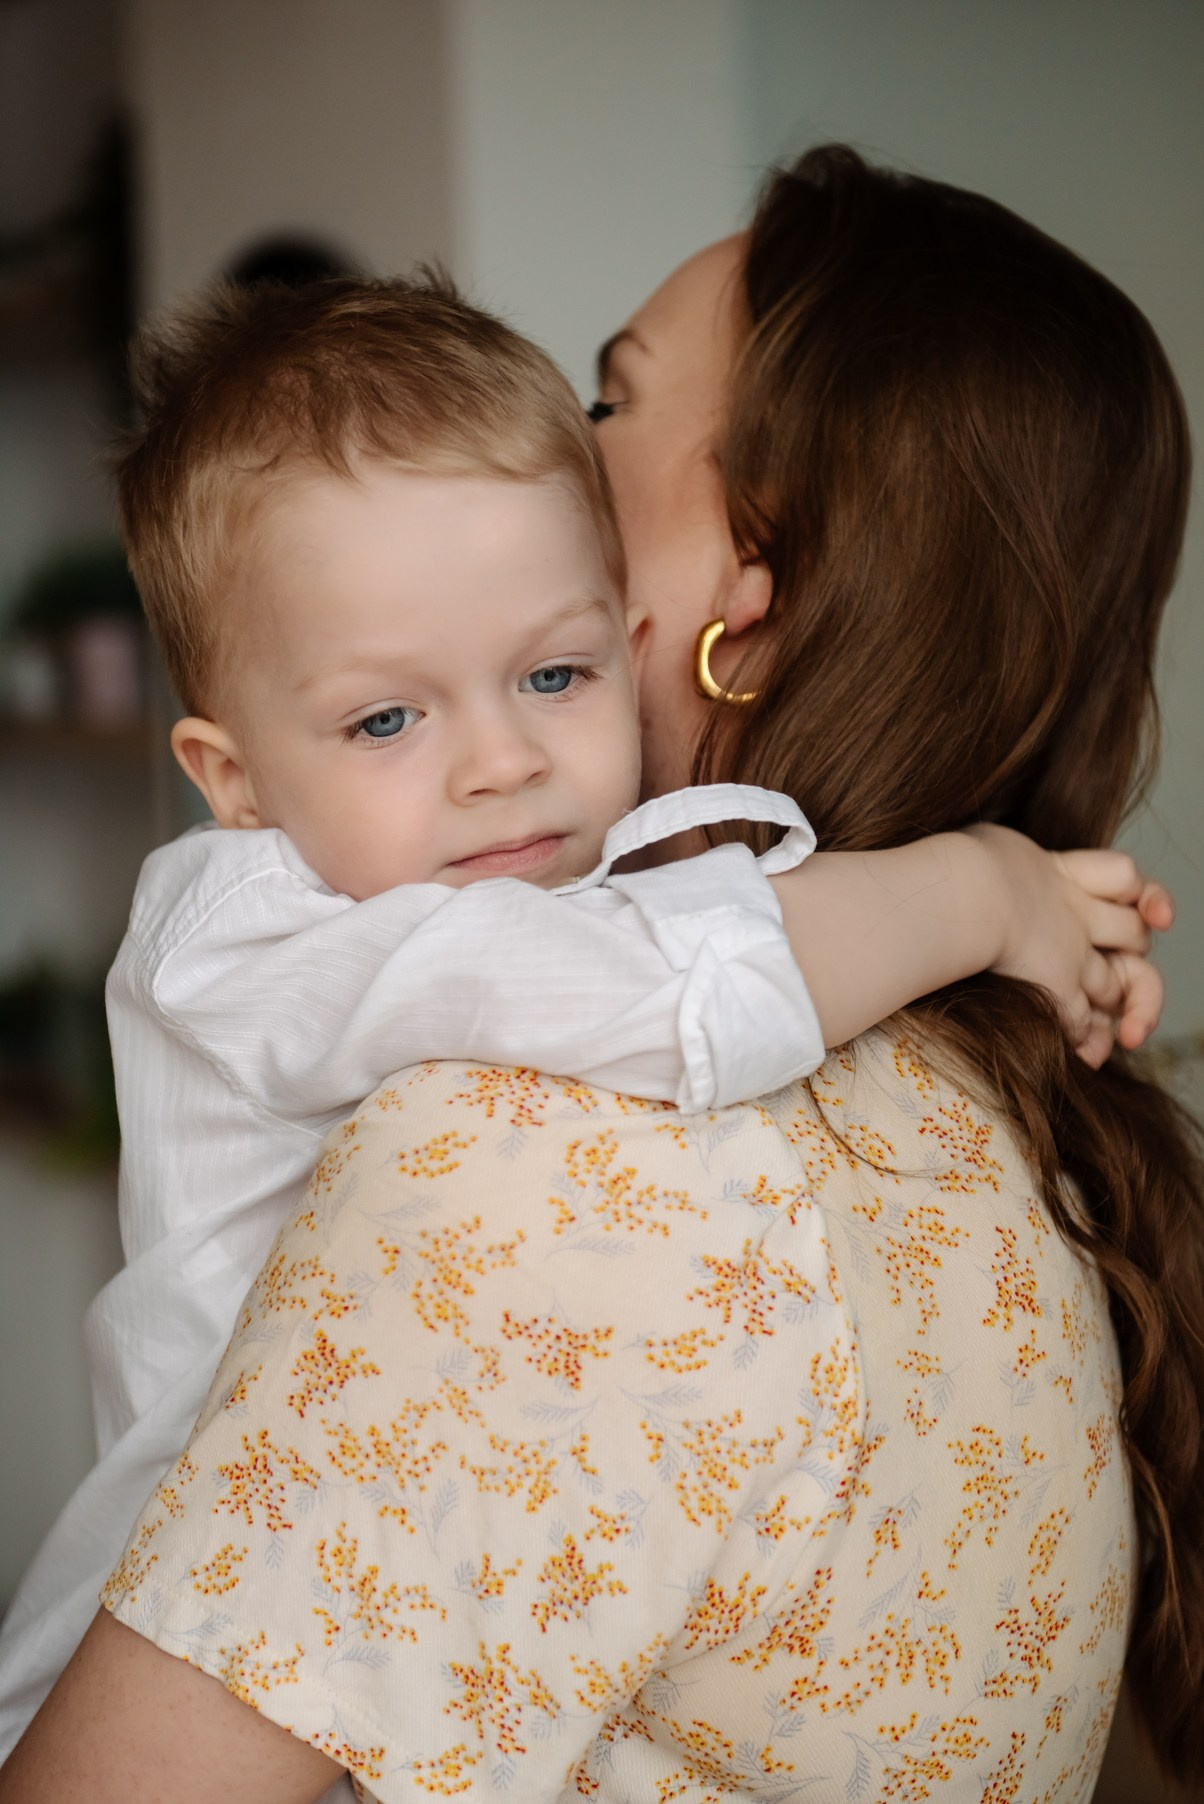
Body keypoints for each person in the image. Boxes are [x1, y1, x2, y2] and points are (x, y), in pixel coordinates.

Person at [4, 145, 1202, 1799]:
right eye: (385, 713)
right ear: (231, 770)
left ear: (745, 601)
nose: (561, 447)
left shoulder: (562, 1156)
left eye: (610, 400)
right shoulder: (994, 1137)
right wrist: (987, 887)